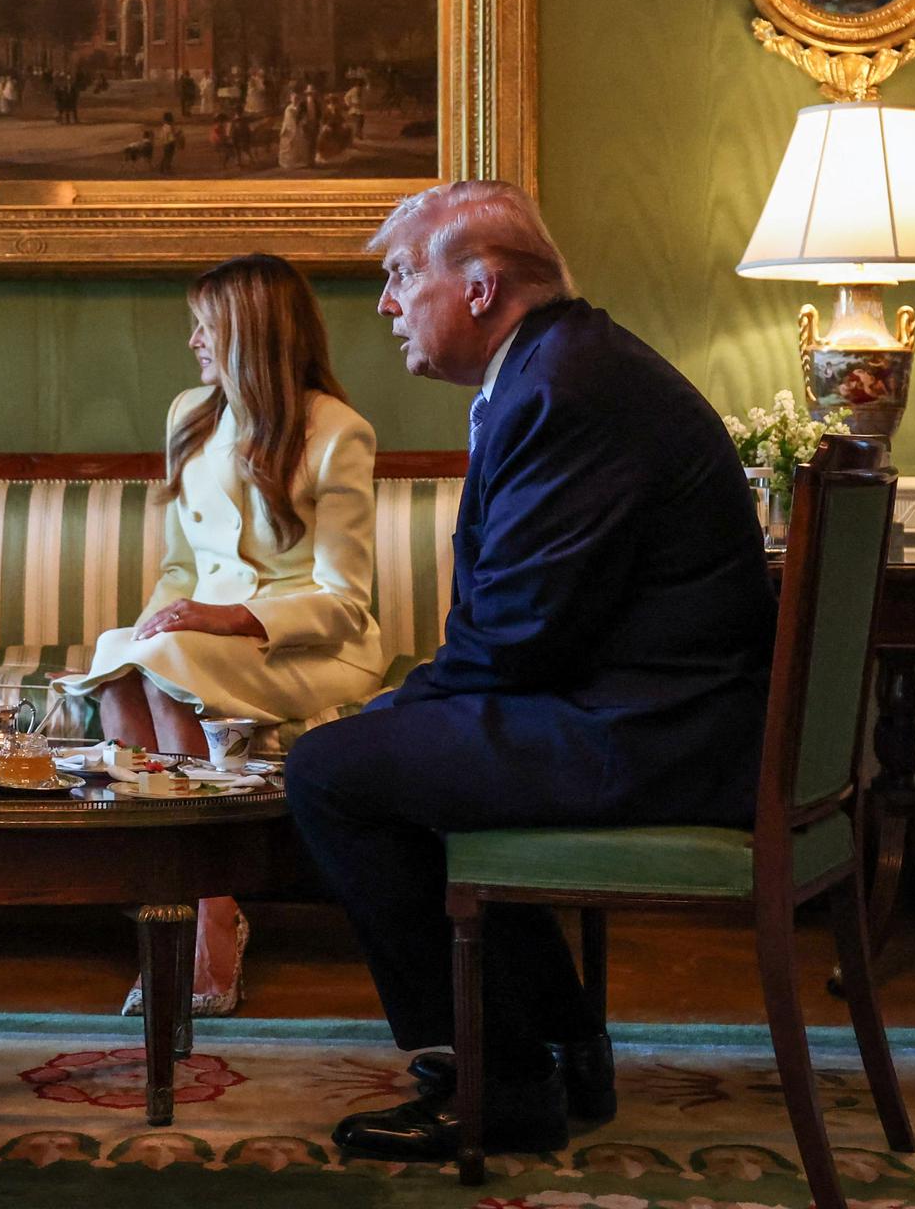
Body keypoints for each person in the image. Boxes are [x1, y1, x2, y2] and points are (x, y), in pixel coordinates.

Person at [285, 182, 776, 1163]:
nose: (386, 305)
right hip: (651, 714)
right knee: (394, 751)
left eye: (399, 275)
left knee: (333, 771)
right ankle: (554, 1038)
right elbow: (534, 621)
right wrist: (414, 707)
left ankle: (494, 1080)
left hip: (651, 739)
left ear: (478, 285)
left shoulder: (565, 387)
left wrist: (401, 704)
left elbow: (515, 632)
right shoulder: (566, 367)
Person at [60, 254, 383, 1016]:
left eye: (206, 326)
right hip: (200, 645)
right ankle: (182, 908)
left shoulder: (339, 434)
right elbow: (179, 569)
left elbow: (346, 600)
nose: (194, 341)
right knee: (127, 658)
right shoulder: (189, 415)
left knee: (168, 661)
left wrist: (225, 618)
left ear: (251, 332)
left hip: (309, 652)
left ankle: (205, 922)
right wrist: (154, 624)